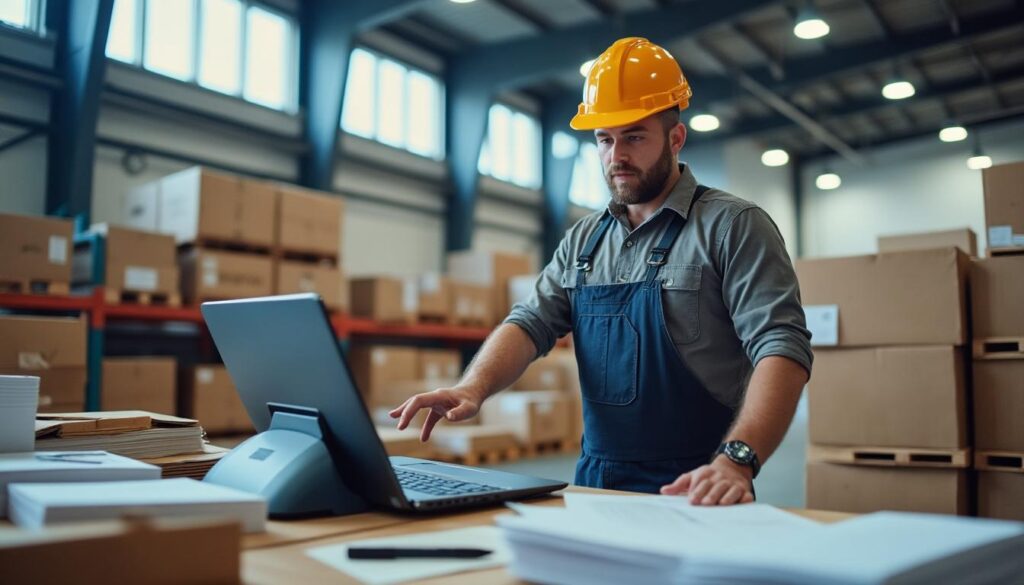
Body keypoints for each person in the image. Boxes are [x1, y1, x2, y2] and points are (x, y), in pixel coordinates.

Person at [391, 37, 812, 506]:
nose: (616, 157)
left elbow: (782, 346)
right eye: (604, 140)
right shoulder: (584, 240)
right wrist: (471, 387)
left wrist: (738, 459)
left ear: (675, 138)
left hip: (701, 483)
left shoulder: (732, 226)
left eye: (634, 137)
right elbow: (530, 322)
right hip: (594, 481)